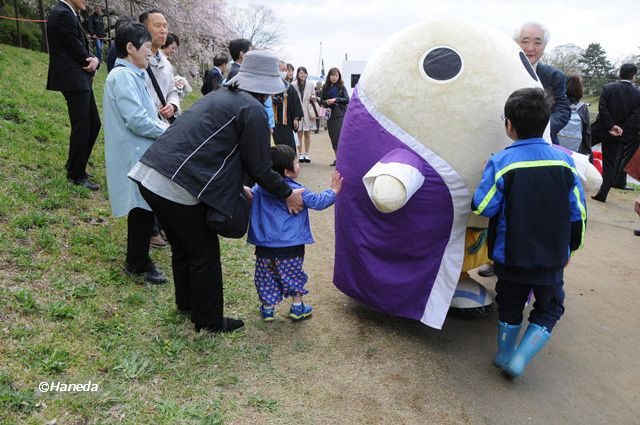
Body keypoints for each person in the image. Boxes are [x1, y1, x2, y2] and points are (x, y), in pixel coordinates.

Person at [129, 50, 305, 333]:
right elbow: (261, 166)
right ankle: (209, 321)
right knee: (204, 252)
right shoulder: (252, 110)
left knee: (184, 247)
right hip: (178, 182)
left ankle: (187, 304)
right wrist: (288, 193)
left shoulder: (219, 96)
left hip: (150, 173)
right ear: (266, 87)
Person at [472, 87, 586, 378]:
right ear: (546, 122)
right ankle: (520, 358)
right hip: (551, 258)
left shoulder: (501, 162)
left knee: (509, 305)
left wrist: (488, 170)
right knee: (550, 307)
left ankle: (505, 354)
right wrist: (571, 248)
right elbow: (579, 213)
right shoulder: (564, 162)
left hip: (510, 257)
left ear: (509, 125)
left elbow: (483, 207)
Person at [478, 21, 572, 278]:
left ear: (544, 46)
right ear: (515, 42)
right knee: (503, 206)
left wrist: (546, 127)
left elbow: (563, 108)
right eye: (525, 41)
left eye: (537, 42)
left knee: (539, 209)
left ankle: (539, 265)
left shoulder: (554, 76)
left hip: (540, 149)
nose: (531, 47)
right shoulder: (498, 69)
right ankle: (496, 259)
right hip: (504, 145)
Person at [103, 22, 169, 284]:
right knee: (140, 207)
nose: (150, 54)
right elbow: (137, 120)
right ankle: (138, 262)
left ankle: (138, 260)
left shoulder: (131, 75)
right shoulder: (122, 77)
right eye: (146, 48)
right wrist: (168, 132)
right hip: (134, 151)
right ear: (130, 48)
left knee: (143, 207)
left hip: (139, 150)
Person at [248, 145, 343, 321]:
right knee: (293, 276)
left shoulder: (260, 189)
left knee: (265, 277)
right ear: (288, 170)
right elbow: (318, 202)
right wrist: (334, 191)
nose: (298, 164)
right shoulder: (297, 192)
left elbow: (250, 195)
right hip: (290, 246)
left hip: (264, 246)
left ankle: (268, 310)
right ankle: (297, 307)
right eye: (297, 161)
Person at [46, 0, 101, 191]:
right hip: (73, 78)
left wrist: (94, 59)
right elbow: (76, 49)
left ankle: (74, 165)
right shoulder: (63, 14)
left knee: (93, 124)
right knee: (83, 125)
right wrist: (93, 61)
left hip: (78, 78)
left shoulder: (68, 13)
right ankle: (76, 174)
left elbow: (79, 45)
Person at [592, 64, 640, 202]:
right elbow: (636, 116)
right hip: (619, 134)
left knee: (583, 149)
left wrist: (610, 125)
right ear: (634, 76)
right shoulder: (637, 95)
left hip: (600, 129)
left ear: (620, 73)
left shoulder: (608, 88)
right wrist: (620, 129)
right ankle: (603, 193)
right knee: (610, 164)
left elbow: (603, 108)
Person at [139, 9, 180, 125]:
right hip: (143, 125)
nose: (163, 31)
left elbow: (172, 91)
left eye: (165, 26)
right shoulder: (136, 61)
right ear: (144, 29)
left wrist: (172, 105)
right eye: (158, 26)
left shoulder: (166, 63)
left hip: (162, 125)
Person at [557, 73, 592, 155]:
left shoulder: (556, 105)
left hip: (557, 149)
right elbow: (587, 133)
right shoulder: (583, 108)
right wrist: (588, 152)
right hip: (577, 151)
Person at [321, 67, 350, 166]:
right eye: (332, 75)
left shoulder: (341, 87)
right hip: (329, 115)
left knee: (339, 138)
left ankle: (341, 160)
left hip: (339, 115)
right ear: (329, 76)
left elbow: (347, 99)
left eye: (336, 75)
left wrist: (335, 99)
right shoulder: (325, 87)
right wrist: (327, 101)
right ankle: (337, 159)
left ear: (339, 76)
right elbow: (321, 100)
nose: (334, 77)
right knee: (333, 137)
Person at [272, 61, 303, 151]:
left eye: (286, 70)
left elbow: (296, 103)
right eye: (283, 70)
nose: (285, 72)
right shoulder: (268, 85)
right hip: (272, 123)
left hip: (286, 123)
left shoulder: (288, 86)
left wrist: (296, 118)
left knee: (289, 148)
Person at [292, 66, 319, 163]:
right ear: (298, 74)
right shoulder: (293, 84)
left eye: (304, 73)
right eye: (301, 73)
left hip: (308, 111)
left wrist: (313, 96)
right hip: (298, 110)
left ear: (307, 74)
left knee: (307, 133)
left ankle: (306, 154)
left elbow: (314, 95)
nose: (303, 75)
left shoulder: (311, 84)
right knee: (299, 132)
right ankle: (300, 154)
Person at [161, 33, 192, 99]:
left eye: (175, 49)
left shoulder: (165, 60)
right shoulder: (159, 59)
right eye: (173, 48)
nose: (174, 51)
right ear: (165, 44)